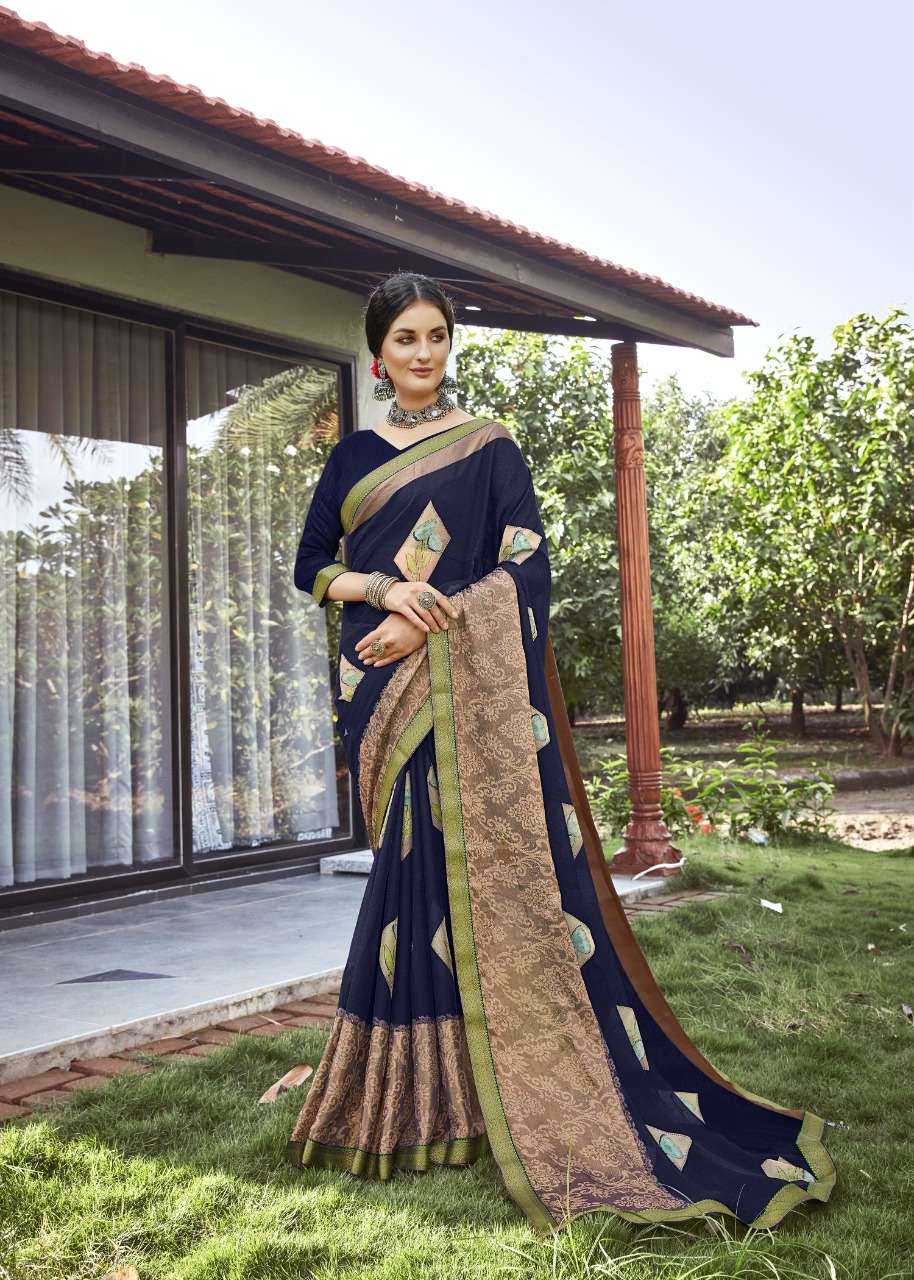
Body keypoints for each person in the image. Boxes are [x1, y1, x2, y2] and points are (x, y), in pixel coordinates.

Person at [287, 271, 837, 1235]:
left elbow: (526, 564)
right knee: (408, 881)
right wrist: (381, 592)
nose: (423, 354)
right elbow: (311, 569)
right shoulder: (353, 459)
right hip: (380, 691)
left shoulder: (489, 446)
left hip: (457, 681)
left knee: (466, 881)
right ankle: (421, 1099)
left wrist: (433, 623)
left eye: (436, 336)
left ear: (449, 344)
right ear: (378, 353)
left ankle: (471, 1094)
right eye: (406, 339)